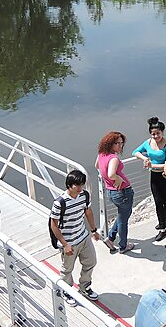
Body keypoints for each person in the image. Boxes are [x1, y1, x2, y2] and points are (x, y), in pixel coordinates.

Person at [49, 169, 101, 306]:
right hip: (69, 242)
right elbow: (53, 225)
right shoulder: (60, 202)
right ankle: (66, 291)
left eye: (82, 184)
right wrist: (65, 244)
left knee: (91, 262)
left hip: (83, 236)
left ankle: (85, 287)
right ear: (69, 185)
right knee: (67, 269)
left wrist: (94, 230)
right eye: (77, 185)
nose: (80, 188)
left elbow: (88, 212)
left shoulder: (84, 195)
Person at [132, 117, 166, 241]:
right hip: (154, 176)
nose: (155, 136)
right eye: (153, 134)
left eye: (158, 133)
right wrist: (145, 158)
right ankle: (162, 228)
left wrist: (151, 165)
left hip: (165, 176)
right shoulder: (148, 142)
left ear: (163, 132)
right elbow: (135, 152)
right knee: (158, 201)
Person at [96, 131, 135, 255]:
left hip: (111, 192)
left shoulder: (101, 154)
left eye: (121, 143)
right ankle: (123, 246)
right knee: (124, 220)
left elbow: (97, 166)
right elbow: (111, 174)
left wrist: (111, 179)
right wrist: (118, 179)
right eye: (117, 143)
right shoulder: (114, 158)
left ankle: (110, 237)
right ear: (109, 143)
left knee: (122, 215)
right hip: (123, 192)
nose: (120, 146)